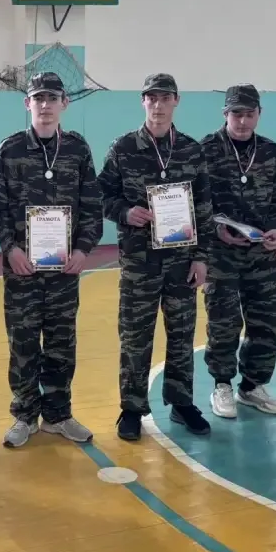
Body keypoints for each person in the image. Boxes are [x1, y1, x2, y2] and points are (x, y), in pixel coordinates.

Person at [0, 72, 103, 448]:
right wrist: (11, 249)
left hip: (64, 271)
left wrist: (83, 249)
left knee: (61, 344)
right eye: (38, 98)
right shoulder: (10, 150)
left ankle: (57, 415)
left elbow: (92, 205)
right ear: (28, 104)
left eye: (52, 98)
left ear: (64, 103)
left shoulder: (77, 149)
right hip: (22, 269)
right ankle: (24, 416)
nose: (45, 105)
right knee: (22, 344)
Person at [98, 73, 213, 443]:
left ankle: (181, 403)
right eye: (152, 98)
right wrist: (125, 212)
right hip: (139, 262)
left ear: (176, 101)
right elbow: (100, 195)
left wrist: (201, 258)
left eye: (165, 98)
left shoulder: (192, 150)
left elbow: (204, 207)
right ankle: (132, 408)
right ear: (143, 101)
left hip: (182, 261)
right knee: (135, 336)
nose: (158, 105)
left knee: (181, 334)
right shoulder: (123, 148)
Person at [200, 84, 276, 418]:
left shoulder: (270, 150)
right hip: (221, 254)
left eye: (249, 114)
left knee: (266, 323)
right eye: (236, 113)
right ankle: (222, 384)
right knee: (223, 323)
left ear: (259, 115)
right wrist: (216, 229)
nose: (242, 120)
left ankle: (252, 386)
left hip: (261, 254)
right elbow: (197, 201)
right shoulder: (205, 149)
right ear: (225, 114)